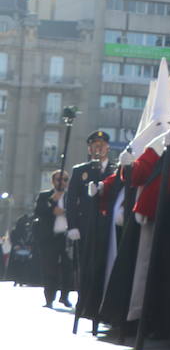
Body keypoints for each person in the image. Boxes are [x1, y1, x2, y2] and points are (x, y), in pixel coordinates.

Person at [65, 130, 115, 324]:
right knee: (85, 267)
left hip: (107, 226)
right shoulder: (81, 170)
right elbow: (71, 201)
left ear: (107, 147)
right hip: (86, 227)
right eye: (95, 145)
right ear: (89, 148)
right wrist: (72, 226)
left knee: (105, 265)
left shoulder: (115, 169)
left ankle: (102, 308)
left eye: (102, 145)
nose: (99, 148)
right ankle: (85, 305)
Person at [32, 169, 70, 308]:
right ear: (53, 181)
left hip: (66, 237)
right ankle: (49, 297)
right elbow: (38, 211)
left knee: (68, 268)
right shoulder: (45, 195)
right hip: (50, 237)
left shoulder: (71, 195)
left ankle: (64, 296)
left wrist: (65, 212)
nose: (62, 182)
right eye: (59, 179)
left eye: (65, 179)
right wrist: (52, 205)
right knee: (49, 268)